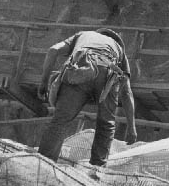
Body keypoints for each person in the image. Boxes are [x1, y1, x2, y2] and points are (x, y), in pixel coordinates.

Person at [37, 28, 137, 166]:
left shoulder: (83, 35)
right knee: (106, 125)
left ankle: (43, 165)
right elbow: (126, 92)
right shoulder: (119, 49)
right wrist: (132, 127)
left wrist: (43, 83)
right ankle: (96, 171)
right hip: (108, 72)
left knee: (60, 121)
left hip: (80, 68)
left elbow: (53, 50)